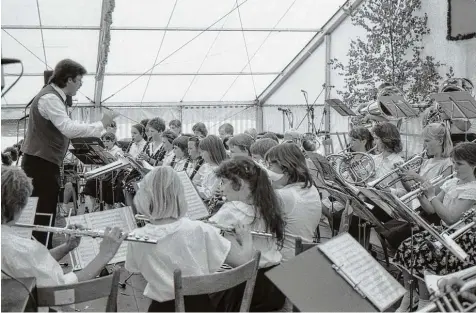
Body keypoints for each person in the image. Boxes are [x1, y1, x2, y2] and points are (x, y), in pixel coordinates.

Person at [125, 166, 253, 312]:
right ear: (180, 195)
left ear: (144, 197)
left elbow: (133, 268)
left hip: (162, 308)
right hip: (201, 306)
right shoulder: (199, 228)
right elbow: (244, 262)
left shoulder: (136, 237)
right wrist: (246, 238)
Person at [20, 59, 117, 248]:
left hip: (44, 162)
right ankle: (40, 255)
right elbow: (69, 129)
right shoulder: (49, 98)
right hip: (40, 163)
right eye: (79, 80)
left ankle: (41, 252)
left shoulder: (55, 98)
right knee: (42, 211)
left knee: (45, 210)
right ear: (69, 79)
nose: (80, 85)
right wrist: (101, 124)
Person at [1, 166, 126, 289]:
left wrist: (67, 247)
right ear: (20, 206)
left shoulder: (19, 250)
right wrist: (104, 255)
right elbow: (60, 291)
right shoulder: (18, 249)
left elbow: (32, 262)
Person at [392, 142, 476, 311]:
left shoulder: (473, 189)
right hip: (444, 233)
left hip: (463, 238)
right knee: (406, 246)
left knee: (423, 252)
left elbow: (451, 218)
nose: (455, 167)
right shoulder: (452, 182)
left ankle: (424, 301)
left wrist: (431, 195)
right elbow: (431, 209)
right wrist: (422, 195)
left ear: (474, 166)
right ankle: (410, 295)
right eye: (453, 163)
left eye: (460, 164)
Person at [209, 157, 286, 312]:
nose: (221, 188)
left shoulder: (231, 209)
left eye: (224, 182)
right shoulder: (267, 206)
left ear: (239, 183)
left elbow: (209, 237)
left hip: (245, 289)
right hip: (274, 285)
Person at [264, 143, 321, 261]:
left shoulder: (284, 195)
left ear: (285, 168)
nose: (268, 170)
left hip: (282, 264)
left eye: (270, 165)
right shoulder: (310, 188)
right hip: (302, 258)